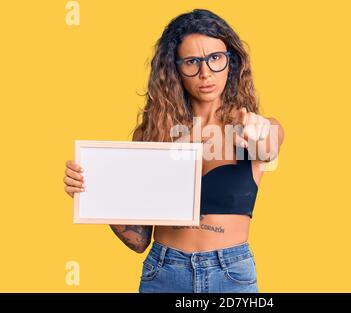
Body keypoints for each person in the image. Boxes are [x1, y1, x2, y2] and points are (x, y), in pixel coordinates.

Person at [63, 9, 284, 293]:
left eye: (215, 58)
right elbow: (139, 240)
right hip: (164, 271)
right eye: (192, 62)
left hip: (230, 274)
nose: (206, 73)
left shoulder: (256, 126)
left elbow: (268, 147)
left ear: (231, 61)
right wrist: (93, 191)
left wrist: (259, 132)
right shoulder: (152, 133)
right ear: (175, 68)